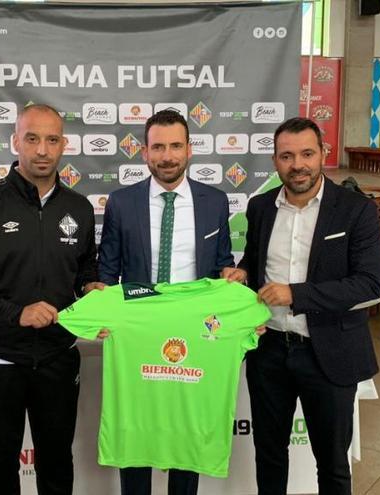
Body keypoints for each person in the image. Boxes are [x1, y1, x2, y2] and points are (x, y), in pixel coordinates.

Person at [0, 104, 103, 495]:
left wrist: (91, 289)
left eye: (51, 139)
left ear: (64, 144)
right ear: (15, 142)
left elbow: (83, 272)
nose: (42, 150)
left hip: (58, 357)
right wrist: (17, 314)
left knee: (58, 465)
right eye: (32, 139)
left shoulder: (78, 208)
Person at [223, 117, 380, 495]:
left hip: (330, 352)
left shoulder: (355, 210)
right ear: (275, 161)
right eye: (287, 156)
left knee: (332, 464)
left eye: (307, 153)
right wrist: (243, 273)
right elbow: (255, 258)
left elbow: (371, 285)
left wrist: (297, 294)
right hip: (270, 352)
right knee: (270, 456)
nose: (298, 164)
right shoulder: (260, 206)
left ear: (323, 154)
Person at [97, 109, 236, 495]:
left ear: (190, 149)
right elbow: (107, 271)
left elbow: (223, 263)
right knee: (137, 431)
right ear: (144, 152)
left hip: (194, 338)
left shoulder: (215, 202)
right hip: (139, 336)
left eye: (176, 145)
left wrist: (236, 298)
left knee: (185, 431)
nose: (168, 156)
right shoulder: (122, 203)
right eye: (158, 146)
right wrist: (104, 315)